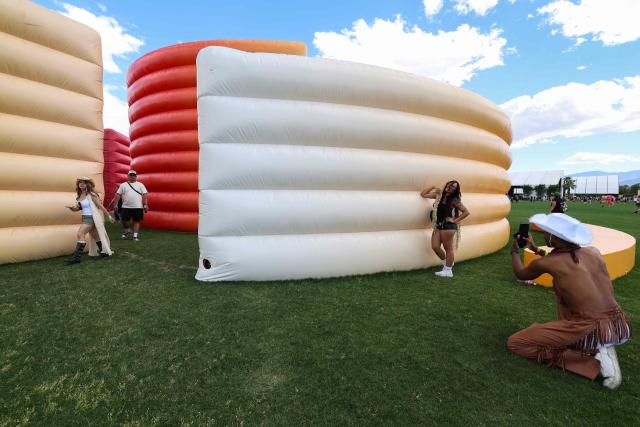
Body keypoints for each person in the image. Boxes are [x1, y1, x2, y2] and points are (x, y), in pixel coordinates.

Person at [508, 213, 631, 389]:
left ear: (553, 237)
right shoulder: (594, 252)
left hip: (590, 327)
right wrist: (536, 249)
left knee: (517, 343)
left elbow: (521, 273)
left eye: (546, 232)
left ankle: (596, 362)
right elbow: (564, 261)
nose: (544, 234)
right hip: (618, 325)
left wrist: (514, 251)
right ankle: (596, 347)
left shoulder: (549, 263)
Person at [421, 180, 470, 278]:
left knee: (448, 249)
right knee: (435, 247)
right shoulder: (439, 195)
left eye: (453, 187)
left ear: (454, 190)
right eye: (449, 184)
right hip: (438, 226)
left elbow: (466, 212)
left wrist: (454, 220)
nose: (450, 187)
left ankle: (448, 271)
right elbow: (423, 194)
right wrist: (433, 186)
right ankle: (447, 264)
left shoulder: (454, 200)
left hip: (448, 227)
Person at [65, 177, 115, 264]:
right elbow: (79, 208)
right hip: (85, 217)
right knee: (96, 236)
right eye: (80, 182)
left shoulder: (91, 194)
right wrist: (73, 209)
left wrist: (109, 216)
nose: (81, 184)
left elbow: (100, 206)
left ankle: (77, 258)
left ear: (88, 184)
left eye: (83, 182)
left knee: (80, 234)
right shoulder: (80, 195)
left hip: (91, 218)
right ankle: (104, 253)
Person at [111, 170, 148, 241]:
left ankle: (135, 236)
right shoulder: (123, 185)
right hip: (126, 206)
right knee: (124, 221)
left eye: (133, 175)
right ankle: (127, 230)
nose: (132, 176)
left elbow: (145, 194)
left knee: (136, 221)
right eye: (130, 175)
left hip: (138, 207)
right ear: (128, 176)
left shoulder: (140, 184)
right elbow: (118, 194)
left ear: (136, 176)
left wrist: (145, 204)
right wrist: (115, 204)